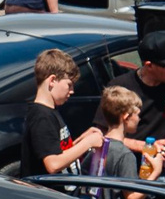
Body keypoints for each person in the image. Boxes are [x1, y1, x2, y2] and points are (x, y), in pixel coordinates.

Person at [97, 28, 165, 178]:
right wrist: (146, 147)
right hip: (122, 168)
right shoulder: (120, 87)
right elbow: (101, 134)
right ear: (149, 65)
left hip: (160, 172)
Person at [18, 47, 104, 178]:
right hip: (49, 195)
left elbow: (58, 151)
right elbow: (53, 164)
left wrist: (82, 140)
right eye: (69, 84)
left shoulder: (51, 111)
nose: (72, 91)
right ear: (52, 81)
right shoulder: (41, 116)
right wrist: (88, 143)